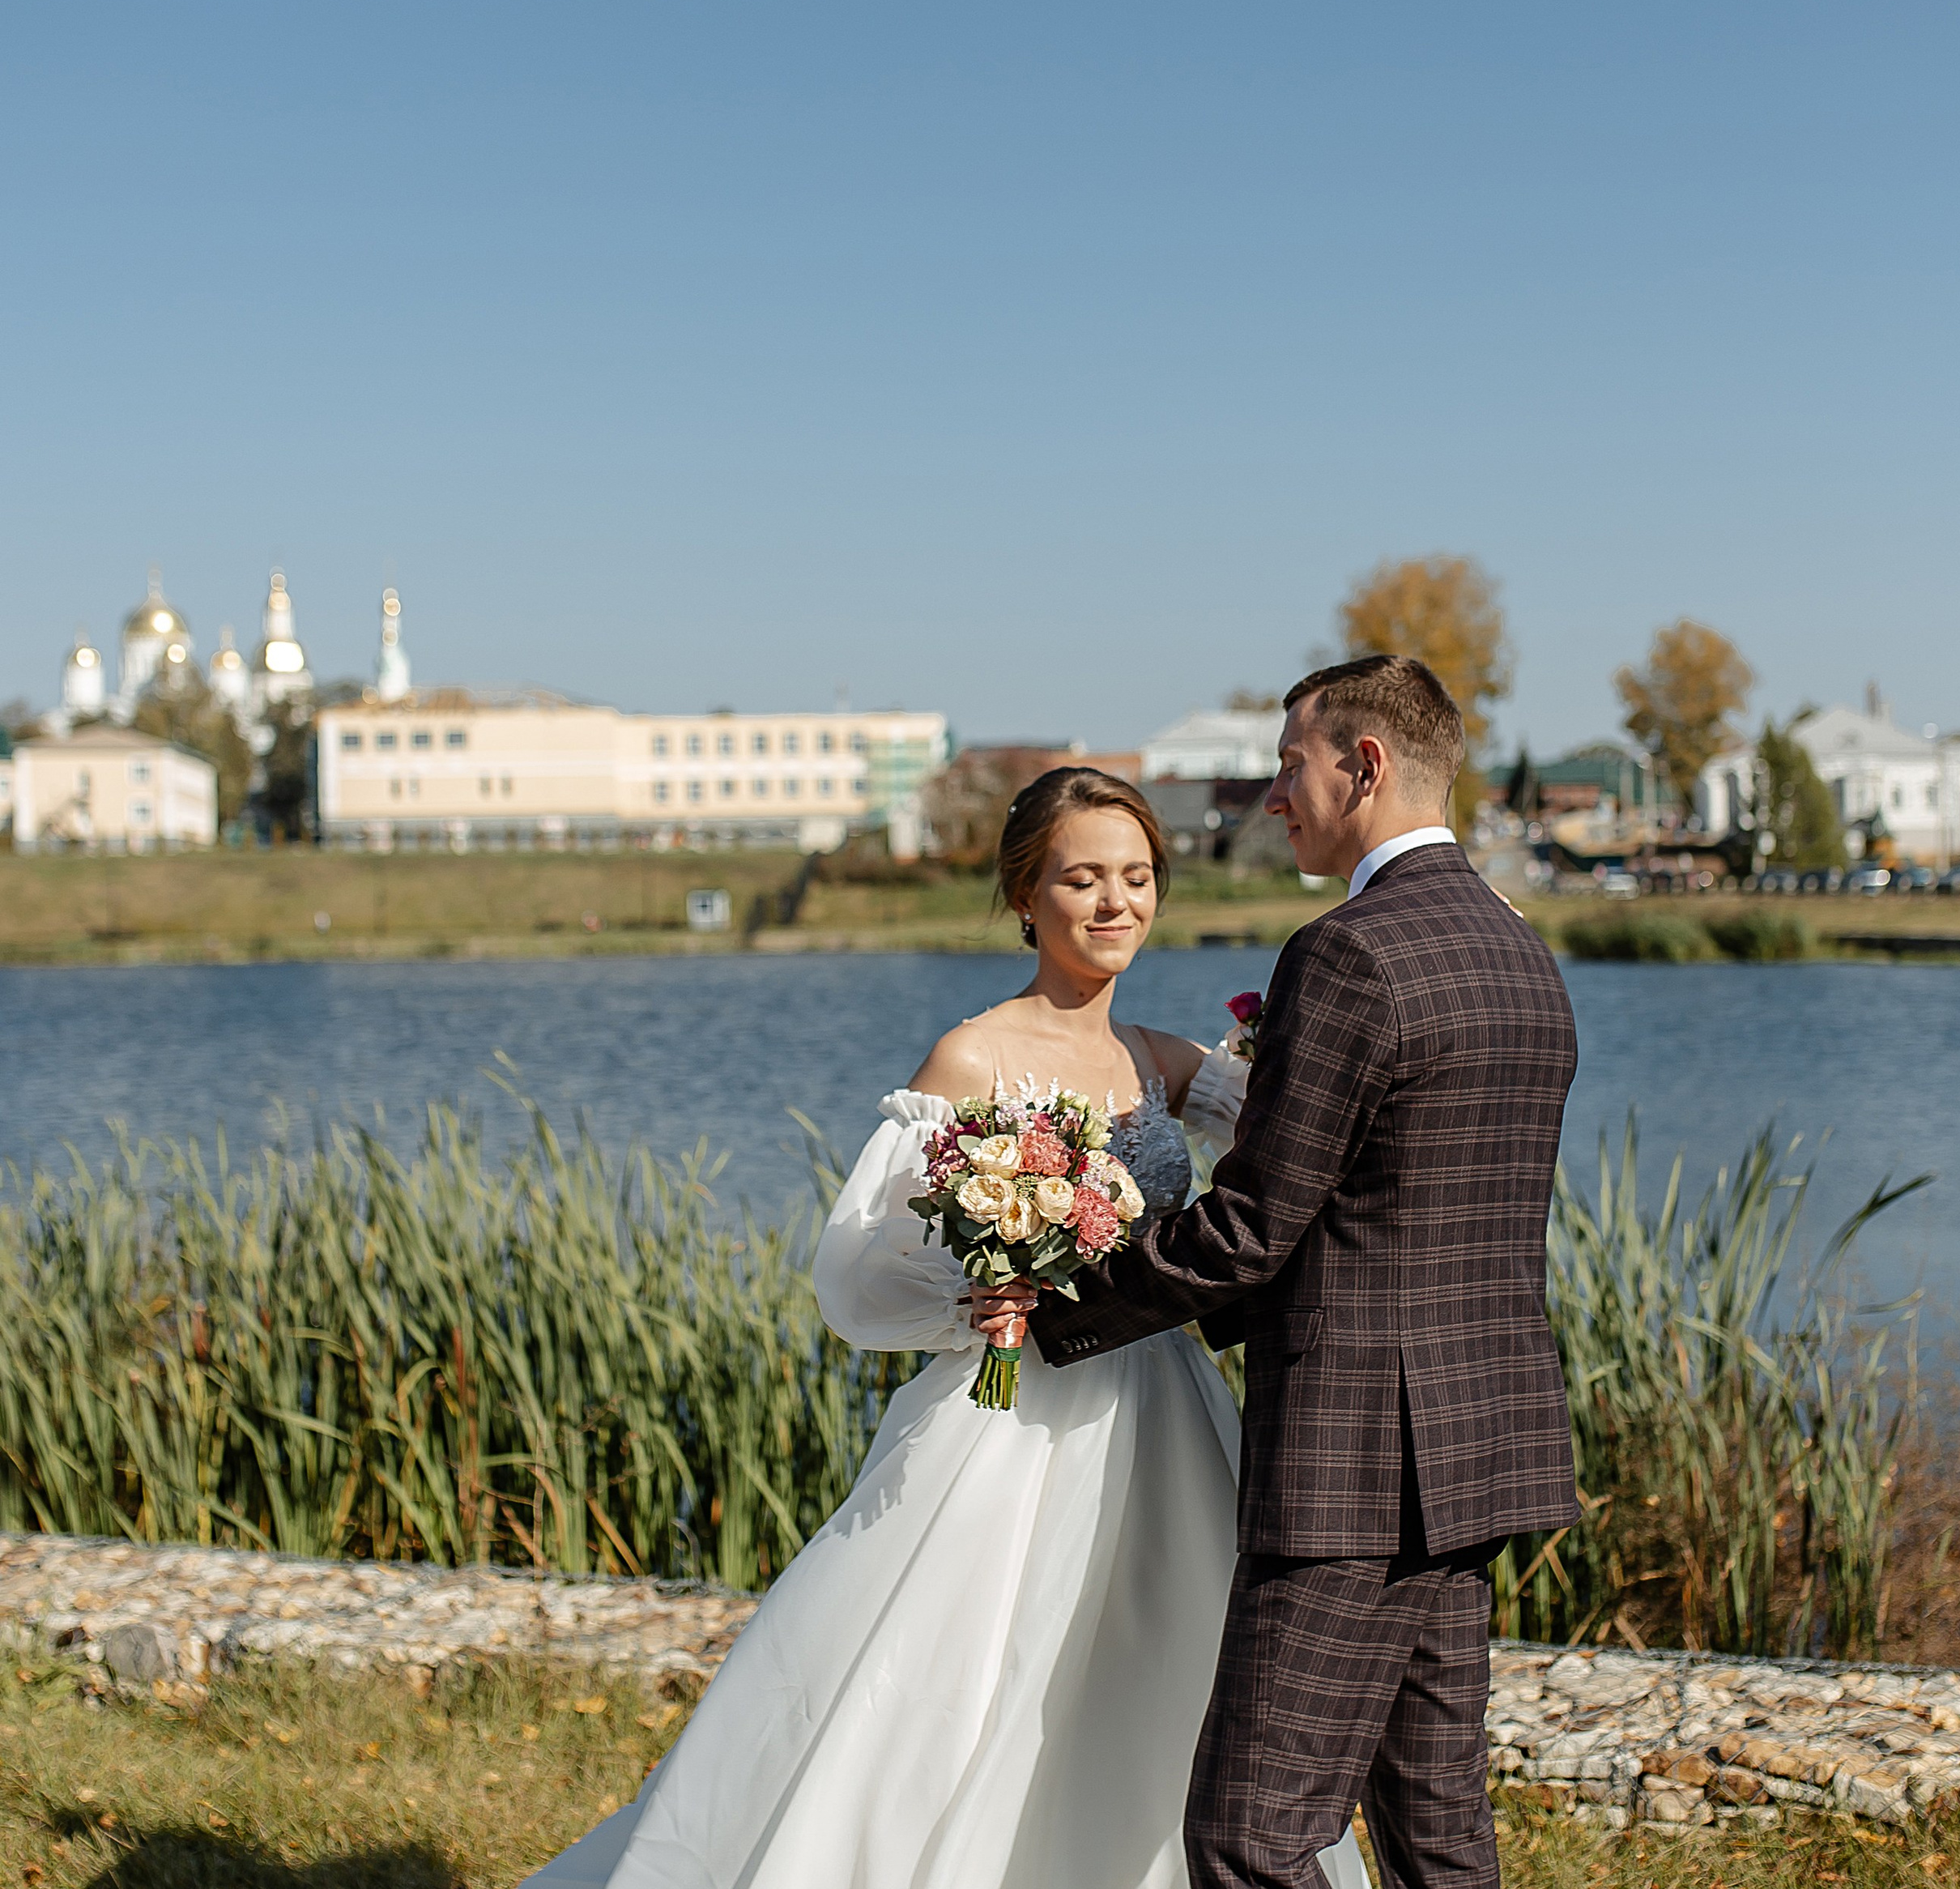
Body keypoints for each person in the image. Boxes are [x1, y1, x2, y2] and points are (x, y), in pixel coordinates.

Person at [525, 765, 1369, 1889]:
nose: (1114, 903)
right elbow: (862, 1263)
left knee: (1170, 1667)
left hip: (1164, 1408)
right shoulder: (971, 1059)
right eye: (1082, 878)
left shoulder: (1164, 1062)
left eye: (1136, 877)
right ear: (1029, 896)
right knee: (959, 1676)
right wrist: (973, 1292)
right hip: (1011, 1419)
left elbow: (1309, 1150)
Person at [981, 655, 1580, 1889]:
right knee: (1441, 1840)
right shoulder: (1520, 949)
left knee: (1250, 1842)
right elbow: (1387, 1214)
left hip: (1355, 1470)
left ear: (1362, 765)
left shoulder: (1350, 953)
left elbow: (1254, 1227)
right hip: (1479, 1454)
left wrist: (1058, 1308)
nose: (1272, 797)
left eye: (1286, 764)